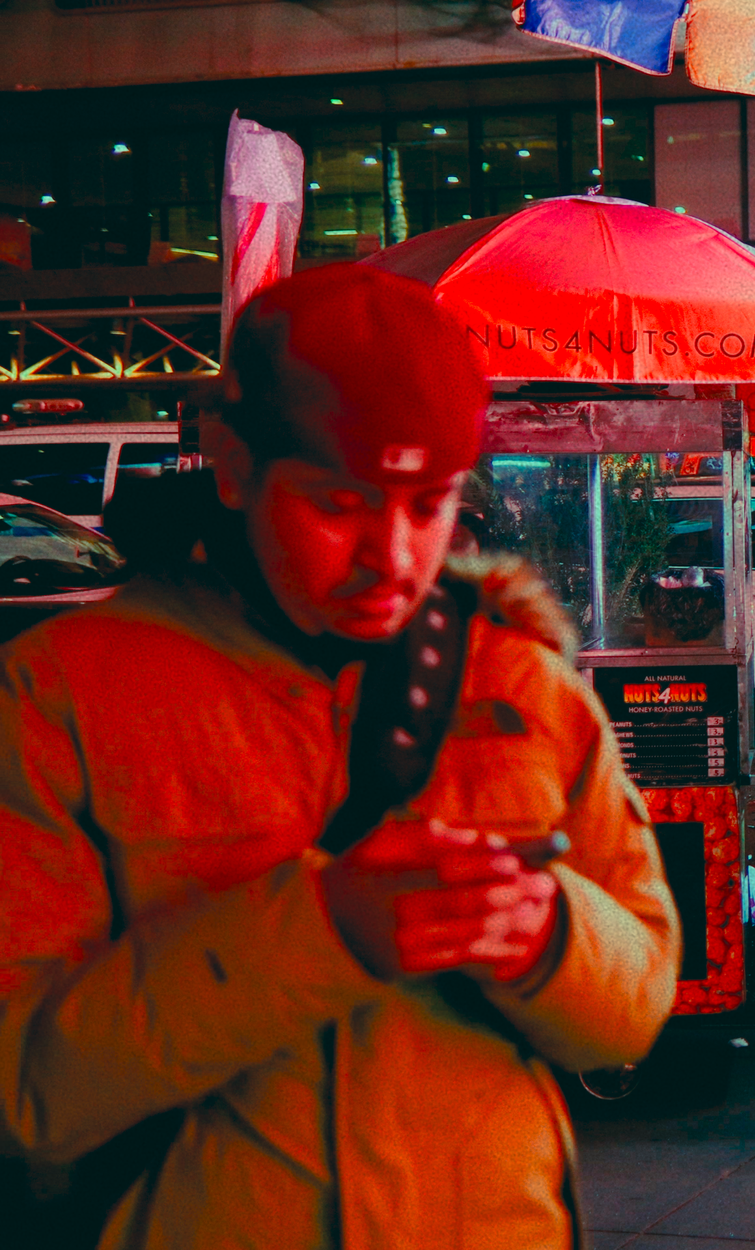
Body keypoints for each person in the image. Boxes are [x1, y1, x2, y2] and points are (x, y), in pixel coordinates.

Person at [0, 265, 680, 1248]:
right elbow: (26, 1088)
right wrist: (319, 931)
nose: (394, 557)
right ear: (232, 463)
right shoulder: (56, 695)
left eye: (428, 504)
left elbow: (639, 998)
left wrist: (548, 933)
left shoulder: (521, 683)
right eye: (339, 504)